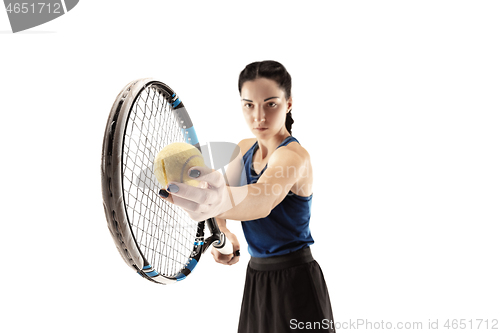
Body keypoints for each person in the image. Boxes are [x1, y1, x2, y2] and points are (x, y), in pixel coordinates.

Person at [160, 60, 335, 332]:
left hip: (297, 281)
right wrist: (224, 232)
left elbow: (261, 199)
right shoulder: (243, 149)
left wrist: (218, 201)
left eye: (271, 104)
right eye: (249, 105)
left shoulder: (294, 156)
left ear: (288, 104)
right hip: (257, 278)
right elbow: (223, 203)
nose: (259, 117)